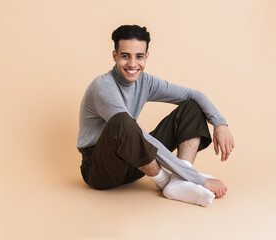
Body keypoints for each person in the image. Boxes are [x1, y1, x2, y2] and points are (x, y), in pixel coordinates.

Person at [77, 25, 235, 206]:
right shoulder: (103, 87)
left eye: (139, 56)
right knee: (123, 122)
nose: (132, 64)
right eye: (125, 56)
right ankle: (168, 182)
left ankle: (178, 183)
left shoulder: (145, 82)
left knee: (193, 107)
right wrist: (197, 179)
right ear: (115, 56)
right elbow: (135, 133)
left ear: (146, 57)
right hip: (100, 170)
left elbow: (194, 94)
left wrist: (220, 124)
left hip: (134, 163)